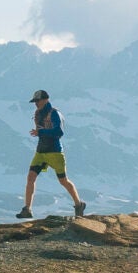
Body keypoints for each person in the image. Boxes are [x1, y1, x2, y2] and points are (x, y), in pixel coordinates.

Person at [18, 88, 84, 219]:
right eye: (35, 101)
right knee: (30, 177)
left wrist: (41, 132)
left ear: (45, 100)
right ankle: (27, 209)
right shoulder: (37, 113)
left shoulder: (54, 113)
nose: (36, 103)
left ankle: (78, 204)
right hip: (40, 152)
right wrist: (40, 133)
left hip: (55, 152)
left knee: (63, 181)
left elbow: (59, 133)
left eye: (38, 100)